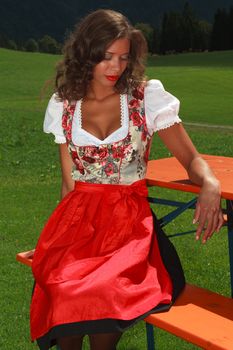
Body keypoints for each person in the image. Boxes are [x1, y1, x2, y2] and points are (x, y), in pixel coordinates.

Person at [30, 9, 224, 350]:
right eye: (105, 57)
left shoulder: (146, 98)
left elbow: (191, 159)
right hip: (78, 228)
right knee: (62, 293)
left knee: (105, 292)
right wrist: (52, 243)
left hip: (129, 228)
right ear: (86, 54)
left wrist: (210, 183)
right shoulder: (63, 105)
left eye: (123, 57)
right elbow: (69, 186)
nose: (115, 67)